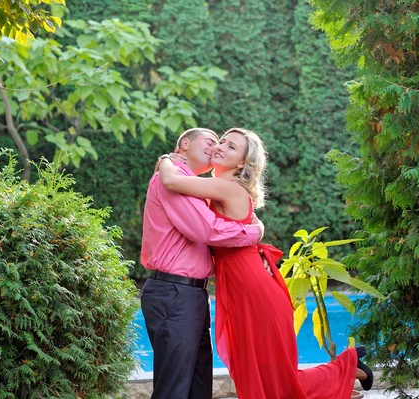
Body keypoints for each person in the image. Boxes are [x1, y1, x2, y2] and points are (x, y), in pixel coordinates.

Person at [157, 127, 374, 399]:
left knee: (275, 384)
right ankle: (349, 367)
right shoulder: (219, 190)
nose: (221, 146)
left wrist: (166, 158)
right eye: (222, 141)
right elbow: (246, 224)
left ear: (241, 164)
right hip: (243, 288)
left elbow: (172, 182)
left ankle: (347, 365)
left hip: (254, 292)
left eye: (231, 147)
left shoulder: (225, 187)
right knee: (266, 379)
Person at [140, 127, 266, 399]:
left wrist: (256, 240)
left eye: (220, 143)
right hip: (174, 292)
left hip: (191, 294)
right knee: (173, 388)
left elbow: (230, 214)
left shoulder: (195, 186)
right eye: (211, 142)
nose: (215, 148)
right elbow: (206, 230)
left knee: (198, 387)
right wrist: (254, 234)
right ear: (185, 144)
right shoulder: (169, 178)